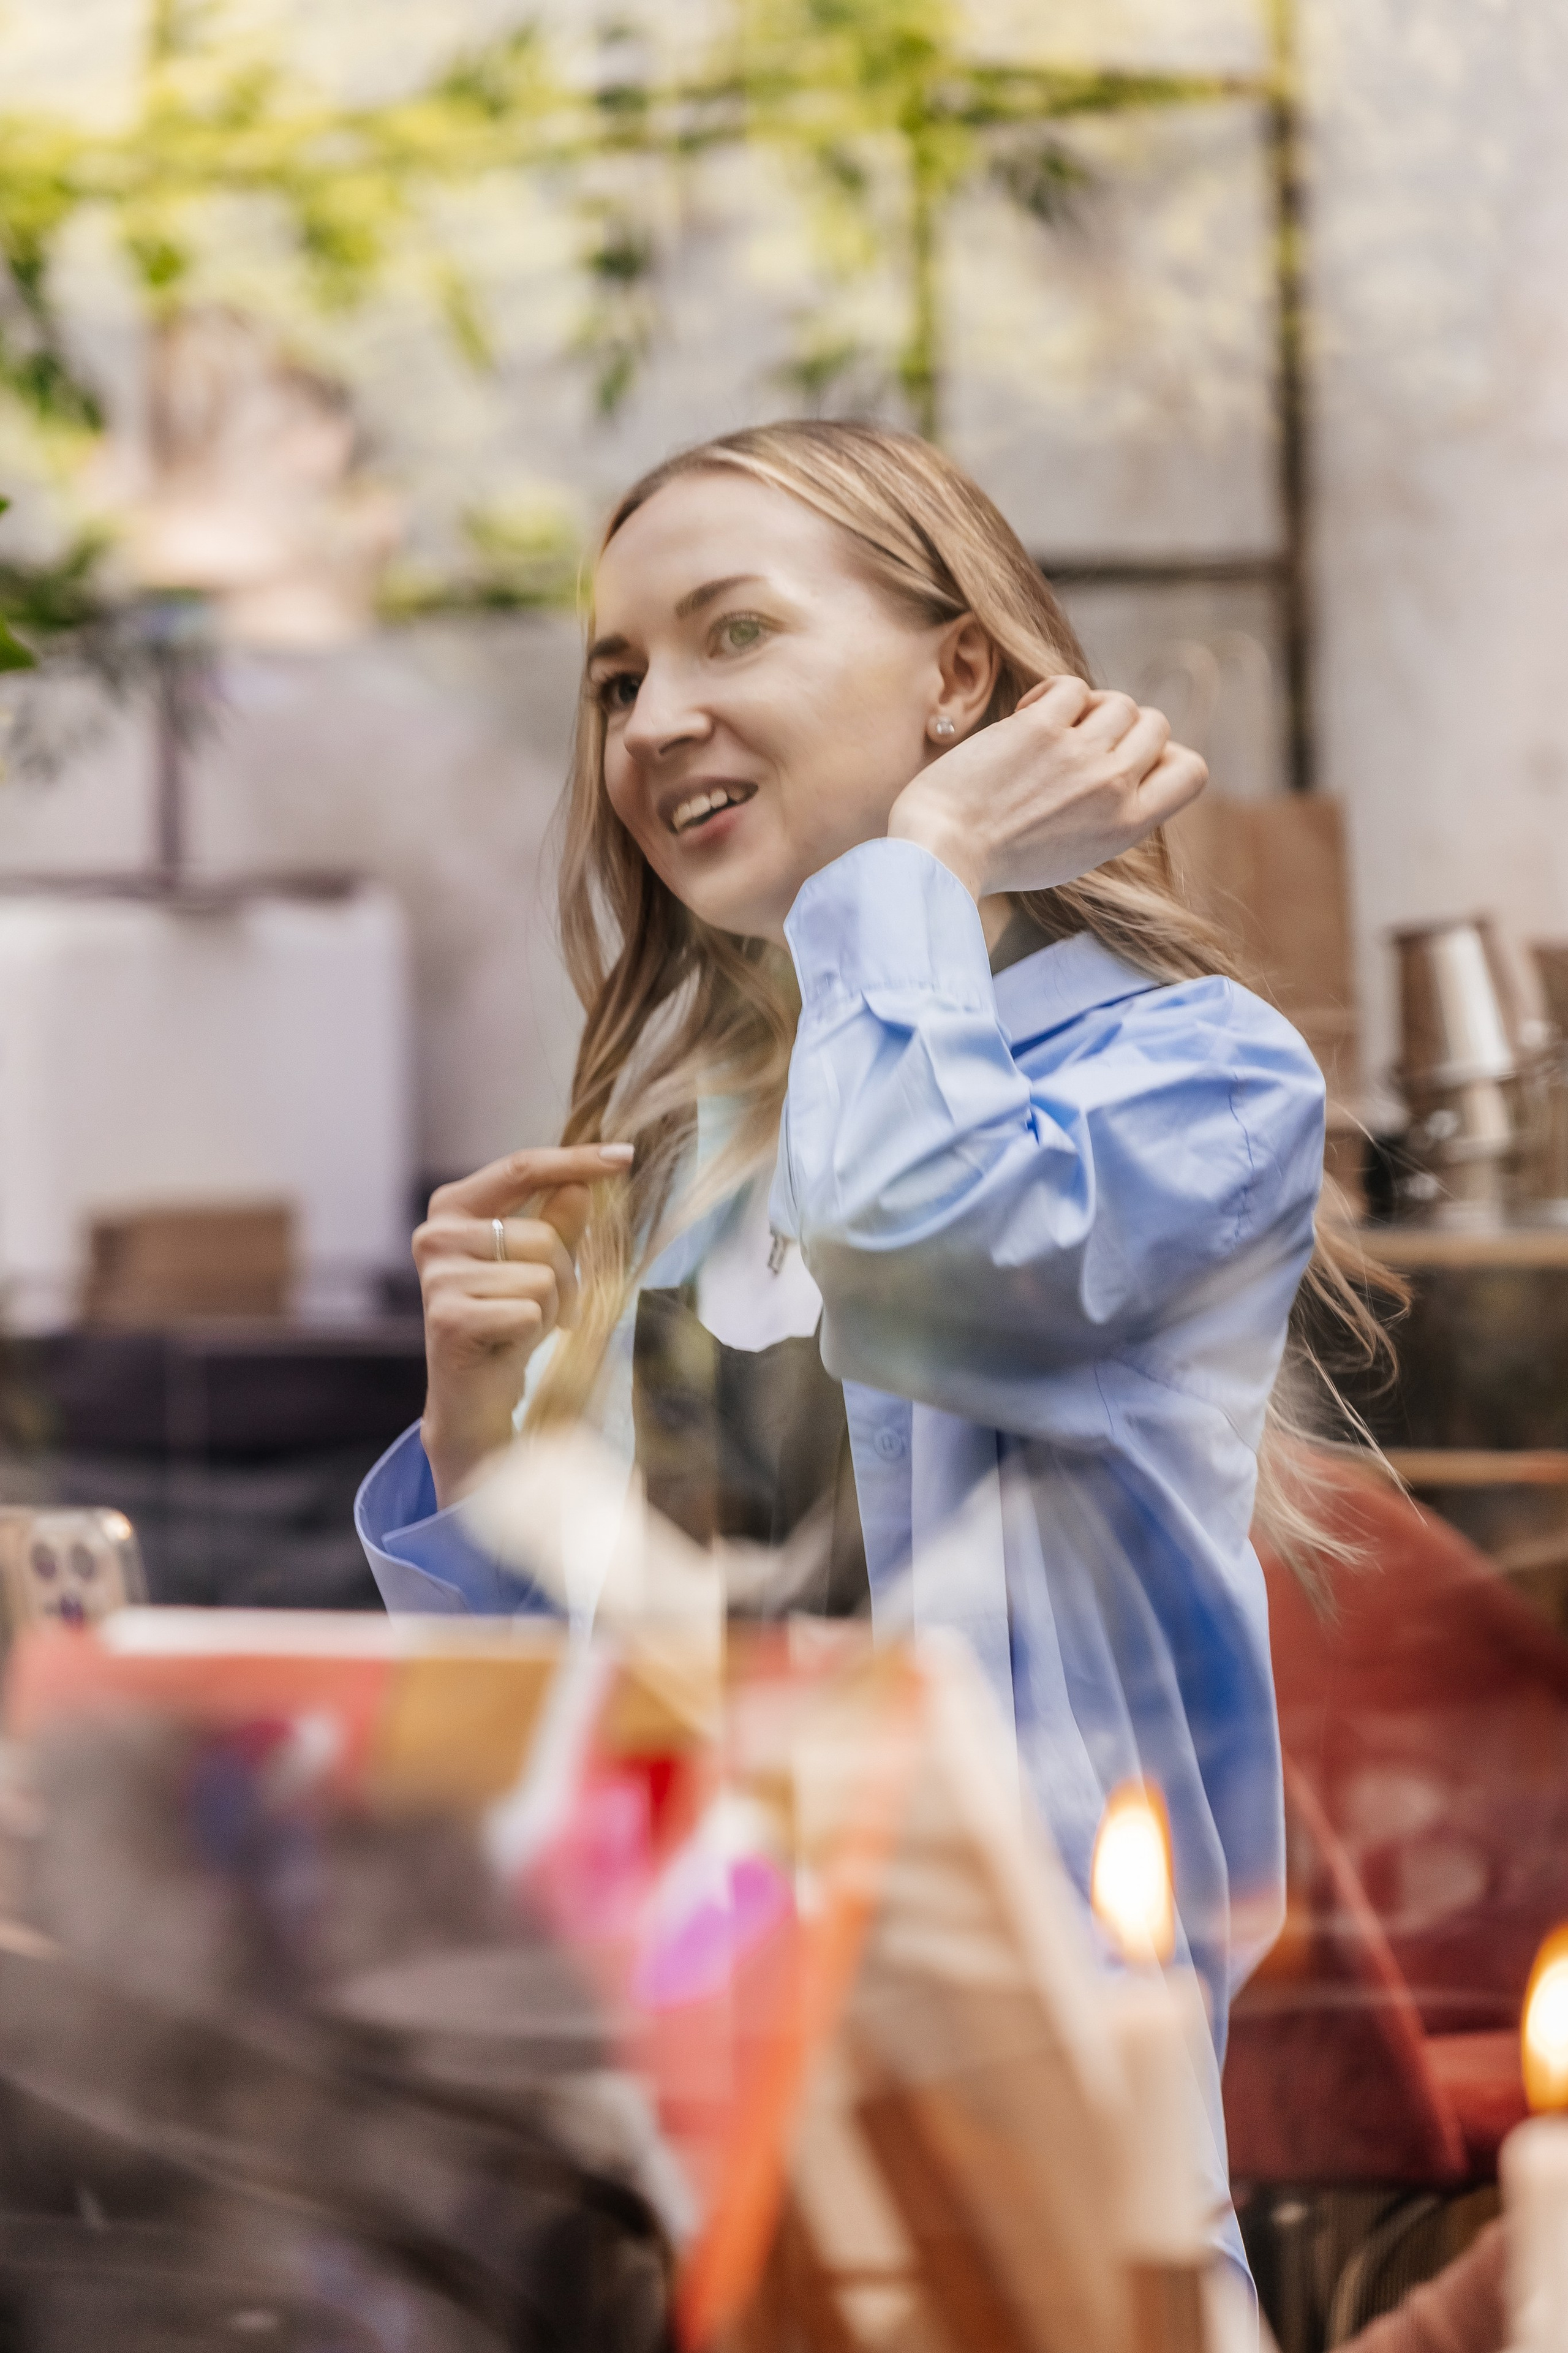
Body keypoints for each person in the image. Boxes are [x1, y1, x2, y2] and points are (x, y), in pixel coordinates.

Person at [356, 421, 1351, 2292]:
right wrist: (490, 1471)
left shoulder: (1192, 1073)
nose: (652, 722)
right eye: (618, 678)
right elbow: (581, 1742)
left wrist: (934, 859)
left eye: (733, 634)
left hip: (1010, 2166)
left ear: (955, 673)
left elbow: (925, 1253)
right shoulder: (675, 1159)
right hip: (670, 2142)